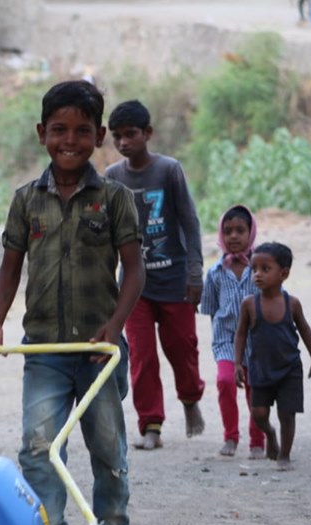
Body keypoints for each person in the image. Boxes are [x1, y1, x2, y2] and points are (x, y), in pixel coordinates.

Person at [0, 80, 145, 525]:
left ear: (100, 136)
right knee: (38, 447)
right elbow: (8, 270)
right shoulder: (27, 201)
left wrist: (114, 328)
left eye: (82, 131)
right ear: (42, 132)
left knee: (108, 451)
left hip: (99, 352)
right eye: (59, 130)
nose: (70, 140)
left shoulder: (115, 198)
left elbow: (134, 271)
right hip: (44, 349)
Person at [105, 99, 205, 451]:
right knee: (143, 357)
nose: (123, 143)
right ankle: (151, 425)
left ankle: (191, 400)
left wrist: (195, 273)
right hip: (135, 289)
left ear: (147, 133)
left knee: (182, 349)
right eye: (116, 137)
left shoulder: (168, 170)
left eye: (130, 134)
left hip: (175, 280)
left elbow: (190, 224)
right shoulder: (113, 178)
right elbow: (105, 234)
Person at [234, 242, 311, 471]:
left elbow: (305, 330)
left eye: (265, 269)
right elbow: (241, 333)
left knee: (287, 414)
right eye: (254, 269)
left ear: (283, 274)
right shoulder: (249, 305)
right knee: (259, 414)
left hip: (289, 369)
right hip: (260, 368)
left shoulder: (291, 304)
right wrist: (237, 363)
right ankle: (270, 434)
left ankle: (284, 454)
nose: (258, 275)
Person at [199, 205, 266, 459]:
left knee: (255, 389)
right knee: (225, 382)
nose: (234, 236)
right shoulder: (215, 273)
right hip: (226, 341)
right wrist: (218, 342)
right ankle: (230, 436)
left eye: (240, 230)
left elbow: (272, 300)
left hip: (256, 341)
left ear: (251, 232)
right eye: (228, 231)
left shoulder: (262, 268)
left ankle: (257, 440)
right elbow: (211, 309)